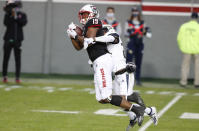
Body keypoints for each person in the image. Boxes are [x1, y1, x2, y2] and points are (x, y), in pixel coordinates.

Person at [67, 4, 145, 126]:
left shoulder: (94, 21)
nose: (83, 17)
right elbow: (79, 47)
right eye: (82, 14)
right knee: (102, 99)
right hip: (97, 62)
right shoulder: (87, 27)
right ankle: (133, 100)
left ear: (92, 14)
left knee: (107, 96)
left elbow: (88, 41)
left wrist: (76, 35)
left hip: (102, 60)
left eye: (85, 14)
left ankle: (137, 109)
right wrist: (72, 36)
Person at [84, 25, 158, 129]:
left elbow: (109, 38)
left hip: (123, 72)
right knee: (116, 100)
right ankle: (135, 115)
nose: (102, 32)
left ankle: (148, 110)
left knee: (123, 99)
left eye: (103, 31)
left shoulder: (113, 36)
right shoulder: (104, 43)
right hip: (114, 75)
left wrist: (94, 39)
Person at [125, 7, 151, 85]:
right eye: (133, 11)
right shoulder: (128, 22)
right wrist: (131, 32)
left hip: (140, 44)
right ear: (132, 12)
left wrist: (143, 33)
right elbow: (125, 34)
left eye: (136, 11)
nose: (135, 12)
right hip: (131, 43)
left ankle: (138, 80)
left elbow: (149, 34)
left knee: (138, 62)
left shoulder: (143, 22)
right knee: (129, 62)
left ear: (139, 12)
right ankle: (127, 79)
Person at [2, 0, 27, 83]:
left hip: (18, 40)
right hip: (8, 39)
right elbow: (6, 23)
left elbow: (23, 23)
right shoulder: (8, 15)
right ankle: (5, 76)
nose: (16, 8)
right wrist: (11, 15)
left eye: (17, 6)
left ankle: (17, 78)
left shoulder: (22, 15)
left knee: (18, 59)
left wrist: (16, 17)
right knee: (6, 58)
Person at [177, 12, 199, 88]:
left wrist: (182, 47)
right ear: (197, 18)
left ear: (191, 17)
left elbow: (179, 38)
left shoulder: (184, 26)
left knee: (185, 66)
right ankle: (197, 83)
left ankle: (183, 82)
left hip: (186, 49)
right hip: (197, 50)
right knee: (198, 67)